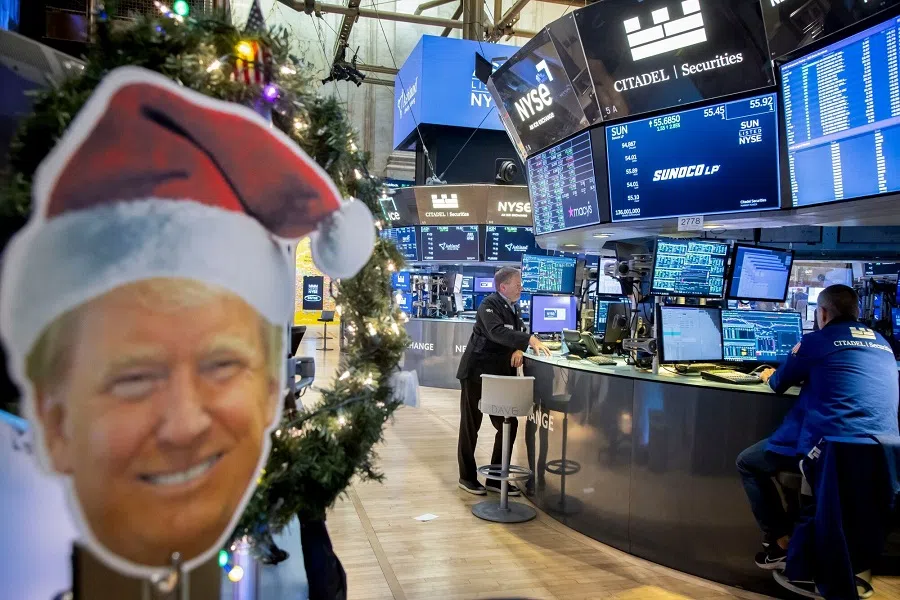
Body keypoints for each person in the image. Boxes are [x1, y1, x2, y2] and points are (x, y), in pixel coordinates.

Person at [0, 67, 374, 575]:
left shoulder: (301, 543)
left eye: (222, 365)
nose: (183, 424)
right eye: (134, 378)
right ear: (51, 414)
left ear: (270, 391)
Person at [736, 284, 899, 570]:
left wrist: (770, 374)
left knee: (748, 463)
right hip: (884, 452)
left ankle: (780, 541)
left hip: (832, 450)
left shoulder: (815, 341)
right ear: (857, 312)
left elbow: (778, 383)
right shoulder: (882, 342)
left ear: (821, 313)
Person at [456, 267, 551, 495]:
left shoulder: (513, 308)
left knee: (508, 424)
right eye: (517, 283)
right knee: (471, 426)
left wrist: (519, 348)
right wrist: (528, 340)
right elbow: (496, 332)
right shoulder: (488, 305)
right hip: (476, 374)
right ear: (503, 286)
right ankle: (466, 477)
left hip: (498, 375)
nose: (521, 287)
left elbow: (516, 332)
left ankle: (496, 479)